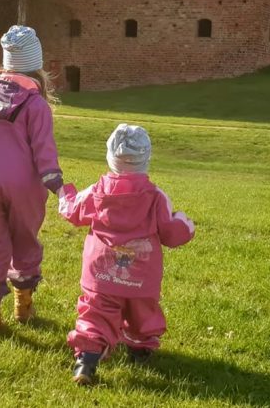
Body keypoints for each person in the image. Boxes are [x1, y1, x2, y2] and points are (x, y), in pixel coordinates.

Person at [57, 124, 195, 385]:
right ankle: (140, 349)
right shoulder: (156, 197)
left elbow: (73, 210)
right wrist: (185, 224)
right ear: (147, 159)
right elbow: (170, 233)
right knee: (142, 312)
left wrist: (66, 193)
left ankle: (86, 360)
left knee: (96, 314)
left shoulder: (97, 191)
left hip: (101, 273)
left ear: (110, 157)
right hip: (141, 277)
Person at [0, 25, 63, 336]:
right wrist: (56, 183)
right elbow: (43, 149)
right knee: (24, 239)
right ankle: (23, 306)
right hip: (23, 185)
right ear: (37, 66)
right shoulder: (36, 105)